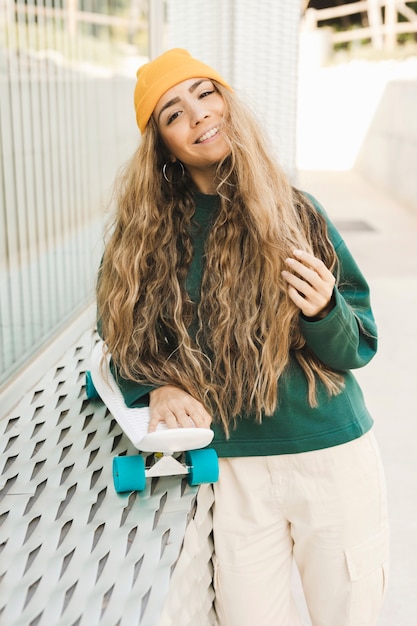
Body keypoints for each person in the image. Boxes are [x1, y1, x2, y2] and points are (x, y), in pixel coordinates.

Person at [96, 48, 389, 626]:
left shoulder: (296, 210)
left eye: (205, 94)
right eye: (173, 113)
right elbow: (119, 334)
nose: (199, 115)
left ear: (227, 101)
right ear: (162, 146)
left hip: (331, 456)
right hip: (232, 471)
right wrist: (155, 388)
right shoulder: (147, 237)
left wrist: (325, 309)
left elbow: (358, 343)